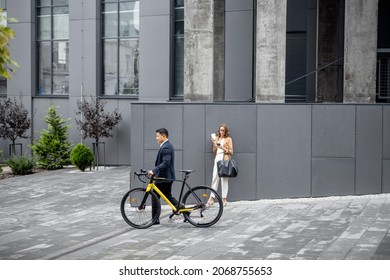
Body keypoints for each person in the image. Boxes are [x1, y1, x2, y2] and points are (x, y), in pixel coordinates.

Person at [148, 128, 179, 225]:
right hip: (166, 177)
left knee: (154, 197)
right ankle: (182, 209)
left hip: (164, 178)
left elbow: (166, 162)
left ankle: (155, 219)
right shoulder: (166, 145)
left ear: (164, 136)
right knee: (167, 196)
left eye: (158, 136)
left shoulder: (165, 147)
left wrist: (154, 170)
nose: (156, 138)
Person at [208, 123, 233, 207]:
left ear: (225, 131)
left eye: (223, 130)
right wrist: (214, 143)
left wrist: (222, 147)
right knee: (215, 177)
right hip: (217, 158)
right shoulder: (217, 138)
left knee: (224, 179)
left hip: (224, 158)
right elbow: (214, 151)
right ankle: (211, 198)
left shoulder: (228, 139)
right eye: (220, 130)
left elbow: (231, 151)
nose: (221, 131)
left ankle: (224, 199)